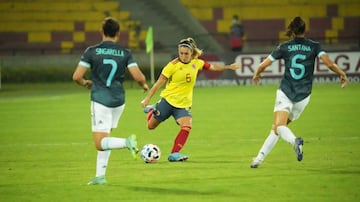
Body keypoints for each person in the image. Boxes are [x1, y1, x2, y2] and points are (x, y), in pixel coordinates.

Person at [250, 16, 348, 168]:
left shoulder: (285, 47)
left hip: (286, 91)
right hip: (303, 97)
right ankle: (259, 158)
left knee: (279, 127)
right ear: (304, 30)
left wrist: (257, 74)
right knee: (277, 128)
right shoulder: (314, 46)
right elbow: (329, 63)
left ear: (292, 31)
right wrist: (342, 73)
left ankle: (295, 141)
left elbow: (264, 65)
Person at [72, 17, 149, 184]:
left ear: (102, 32)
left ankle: (126, 142)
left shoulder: (91, 51)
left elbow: (77, 76)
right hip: (119, 101)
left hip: (101, 99)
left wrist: (85, 83)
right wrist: (143, 84)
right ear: (118, 34)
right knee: (106, 138)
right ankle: (100, 176)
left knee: (100, 143)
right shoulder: (125, 53)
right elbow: (138, 76)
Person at [141, 37, 241, 162]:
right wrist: (146, 99)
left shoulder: (197, 63)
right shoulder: (172, 66)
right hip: (167, 101)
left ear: (192, 53)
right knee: (150, 126)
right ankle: (153, 109)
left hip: (183, 105)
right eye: (181, 53)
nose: (183, 56)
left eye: (186, 54)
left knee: (187, 126)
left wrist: (229, 67)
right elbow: (158, 84)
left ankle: (174, 153)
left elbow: (213, 67)